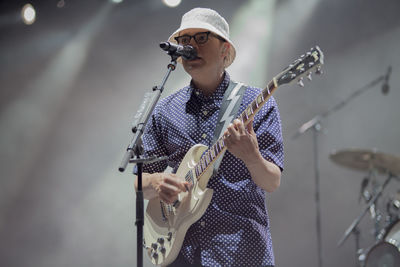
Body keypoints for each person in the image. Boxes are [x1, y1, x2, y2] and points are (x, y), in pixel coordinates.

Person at [135, 7, 284, 267]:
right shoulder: (165, 110)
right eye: (184, 41)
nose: (191, 46)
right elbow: (139, 181)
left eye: (202, 38)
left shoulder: (255, 102)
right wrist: (158, 181)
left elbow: (271, 182)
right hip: (181, 253)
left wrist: (252, 157)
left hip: (241, 253)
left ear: (225, 50)